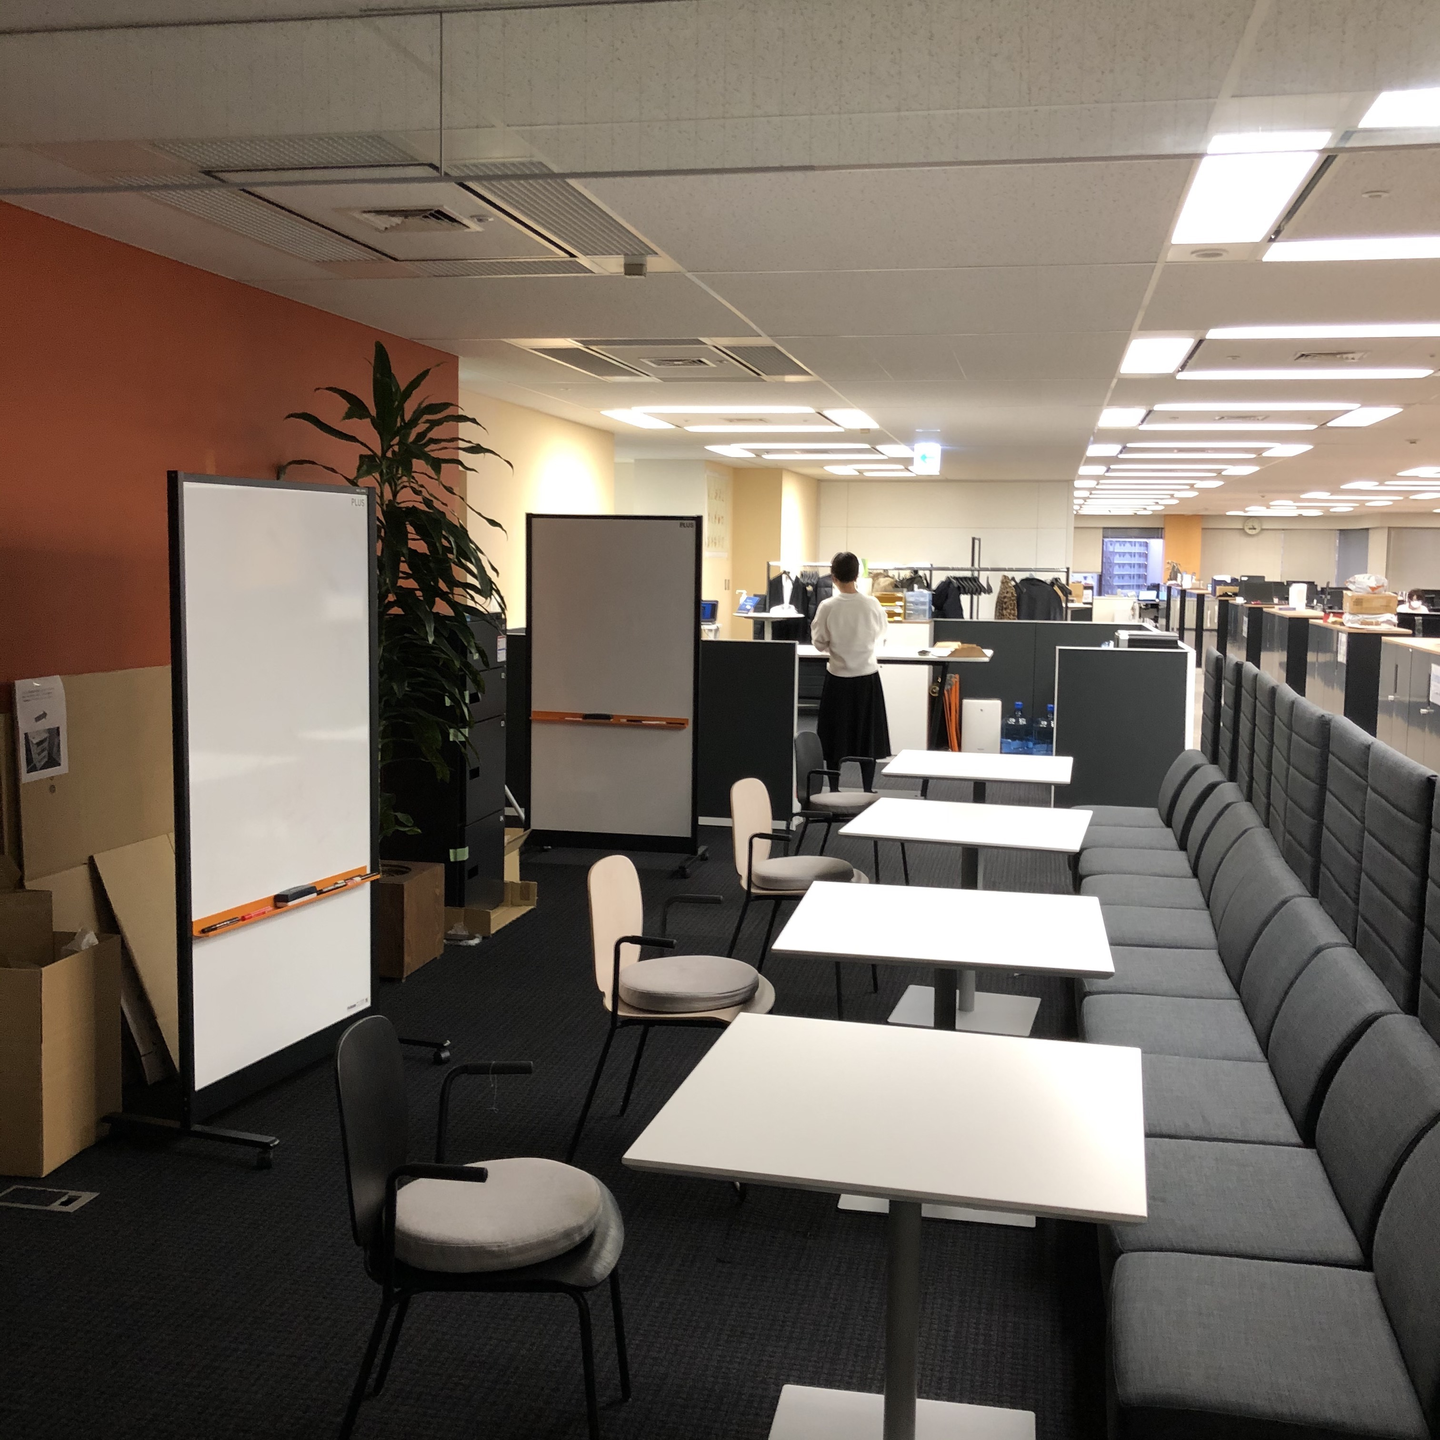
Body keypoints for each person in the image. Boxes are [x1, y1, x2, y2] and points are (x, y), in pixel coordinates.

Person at [809, 551, 890, 788]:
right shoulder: (872, 604)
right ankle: (868, 787)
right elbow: (881, 634)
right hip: (867, 678)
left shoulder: (827, 606)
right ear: (857, 576)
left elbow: (819, 642)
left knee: (835, 737)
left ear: (833, 577)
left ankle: (834, 788)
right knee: (867, 737)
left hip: (838, 679)